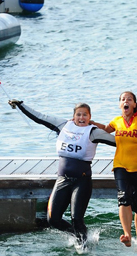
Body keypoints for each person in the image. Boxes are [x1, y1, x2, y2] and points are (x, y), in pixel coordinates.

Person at [7, 99, 116, 247]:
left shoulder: (94, 132)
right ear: (74, 116)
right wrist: (20, 105)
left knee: (77, 218)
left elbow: (119, 141)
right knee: (53, 219)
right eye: (79, 114)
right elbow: (40, 117)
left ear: (90, 117)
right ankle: (81, 237)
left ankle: (83, 246)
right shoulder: (64, 125)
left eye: (85, 115)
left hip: (81, 181)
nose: (82, 118)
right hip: (62, 180)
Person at [102, 91, 137, 247]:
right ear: (120, 104)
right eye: (123, 99)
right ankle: (127, 234)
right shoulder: (117, 121)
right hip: (121, 166)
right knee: (123, 198)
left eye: (129, 99)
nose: (125, 101)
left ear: (134, 104)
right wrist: (88, 122)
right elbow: (105, 129)